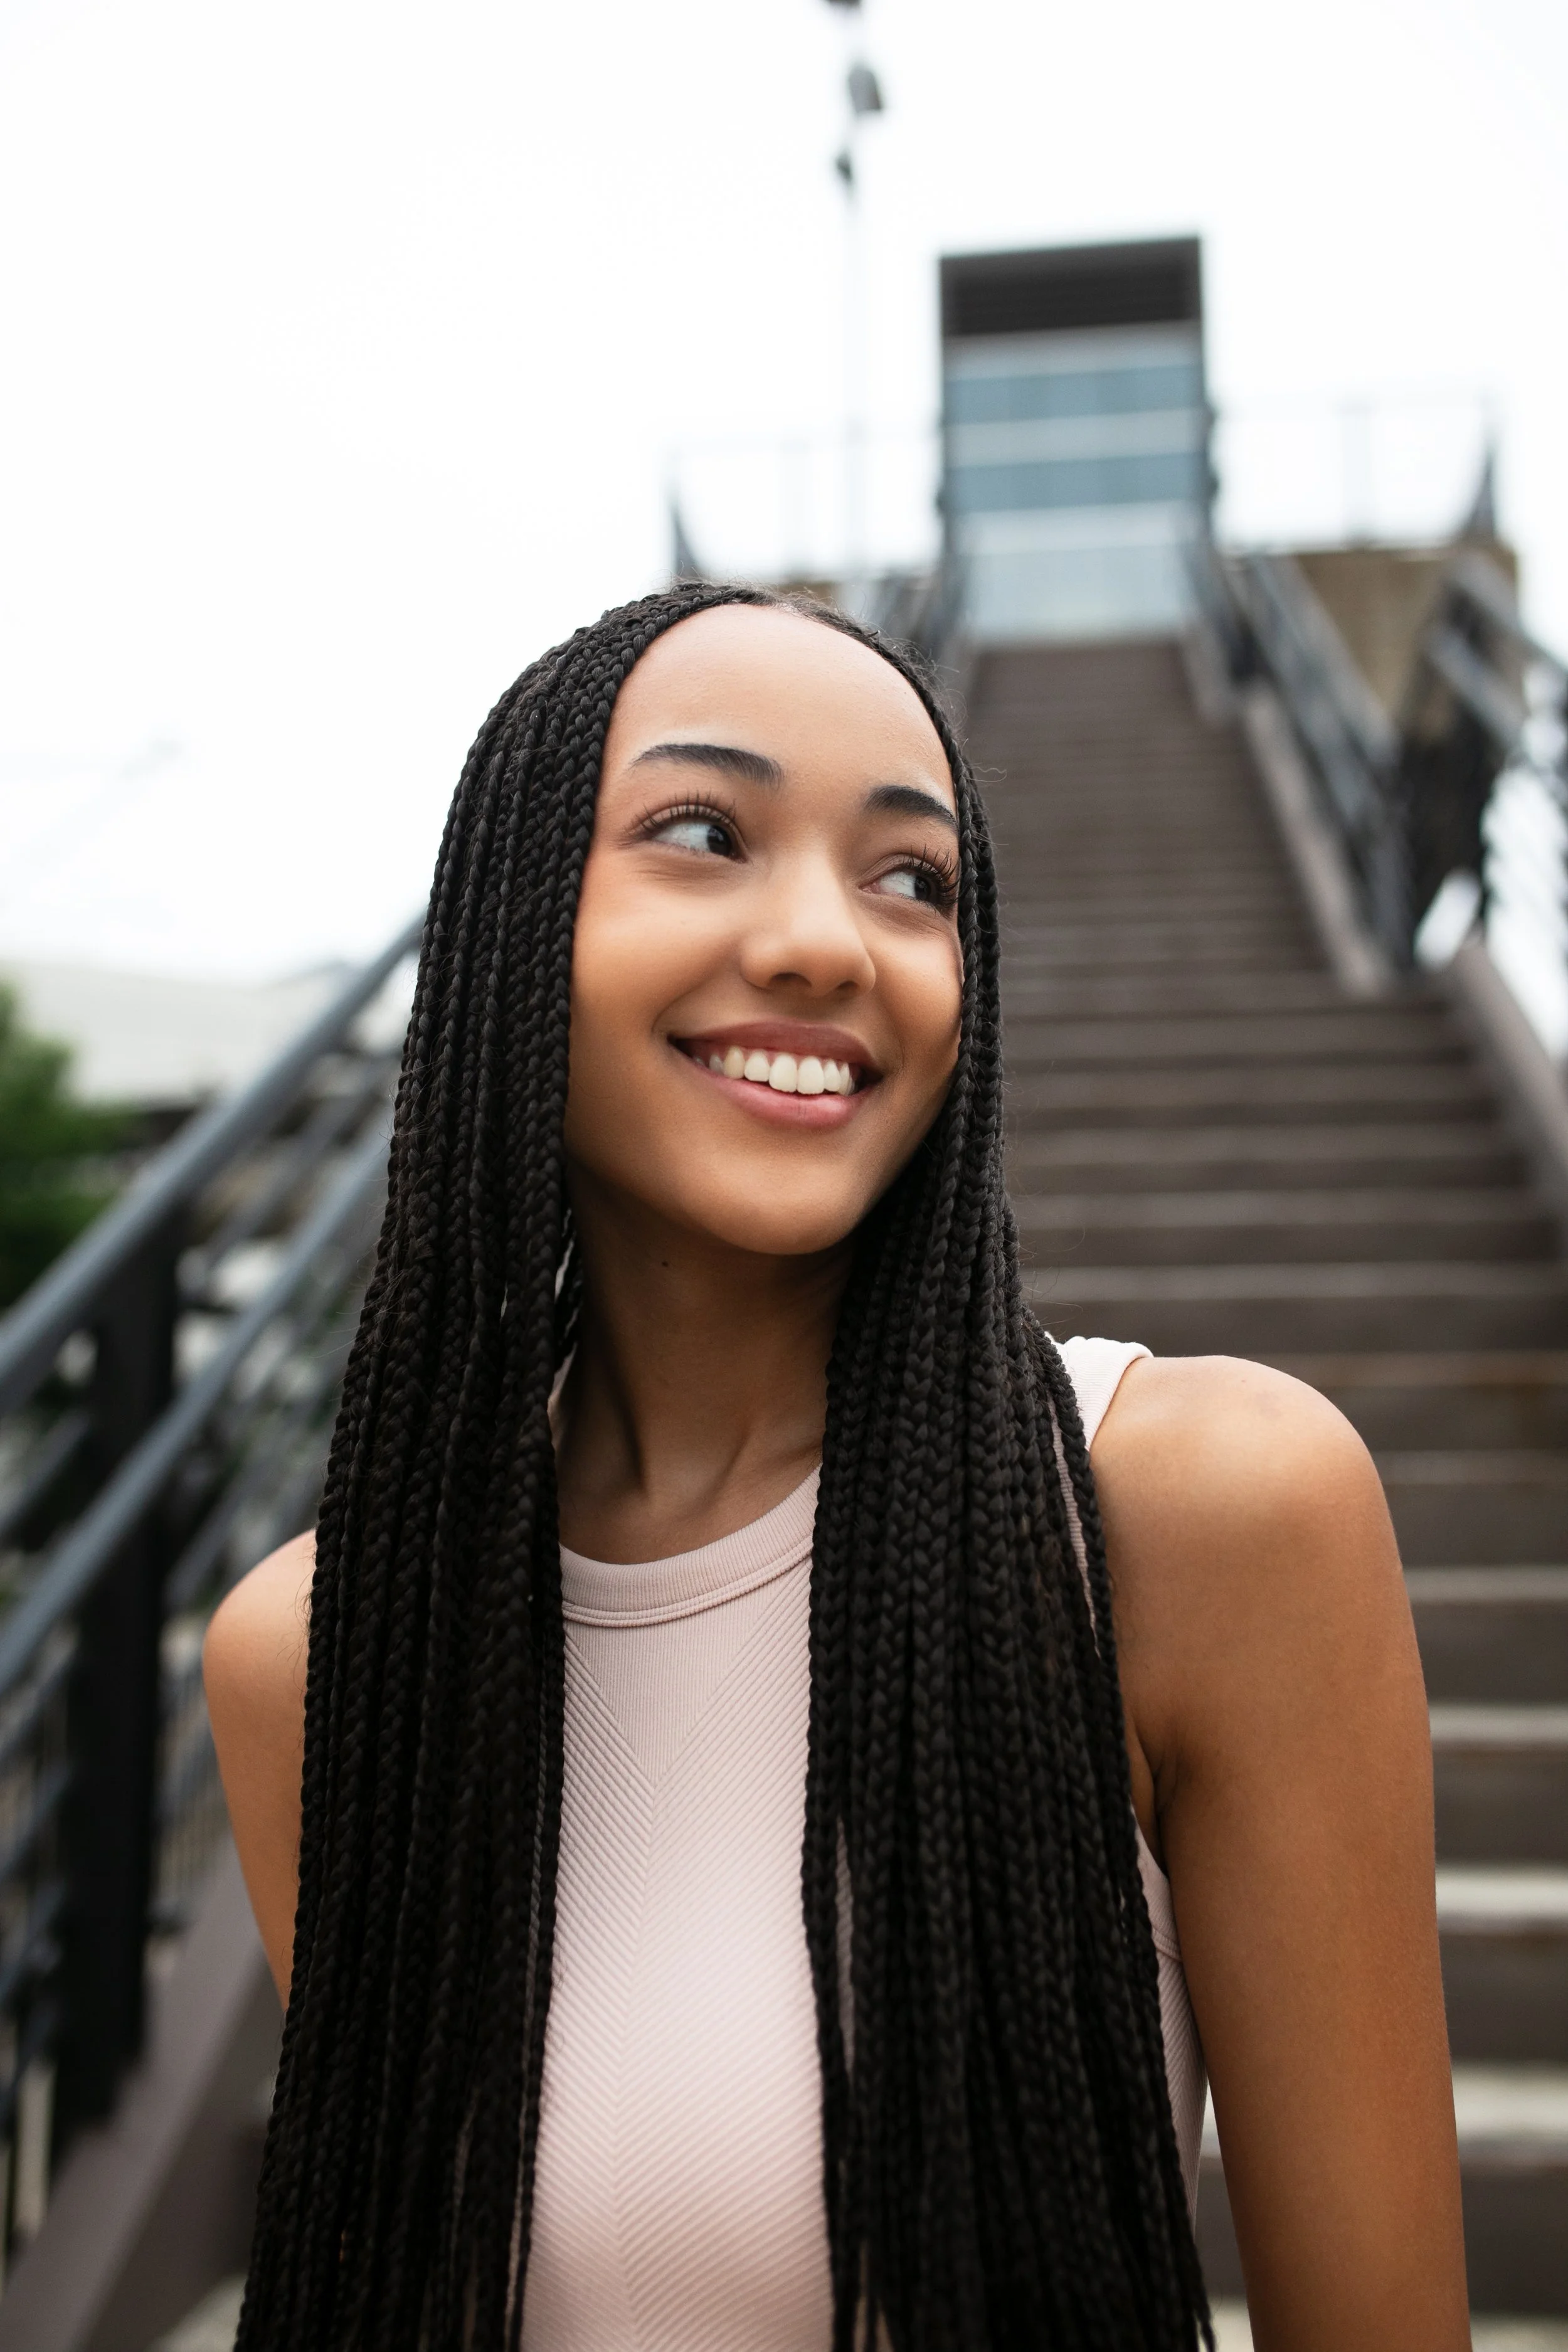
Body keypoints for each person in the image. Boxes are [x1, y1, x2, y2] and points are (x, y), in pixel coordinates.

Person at [204, 585, 1468, 2352]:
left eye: (911, 876)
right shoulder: (315, 1653)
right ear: (507, 924)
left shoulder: (1195, 1509)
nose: (827, 941)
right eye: (703, 832)